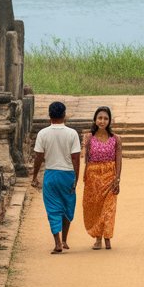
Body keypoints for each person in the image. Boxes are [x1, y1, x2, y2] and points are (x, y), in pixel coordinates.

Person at [31, 100, 81, 254]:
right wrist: (76, 178)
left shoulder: (43, 133)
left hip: (51, 174)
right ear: (64, 115)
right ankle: (65, 239)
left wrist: (34, 176)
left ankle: (58, 242)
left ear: (49, 116)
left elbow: (38, 157)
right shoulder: (72, 133)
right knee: (67, 206)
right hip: (67, 174)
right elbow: (76, 158)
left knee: (53, 209)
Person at [82, 105, 122, 249]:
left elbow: (118, 159)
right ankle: (98, 238)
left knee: (109, 209)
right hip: (93, 178)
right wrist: (85, 178)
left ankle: (107, 237)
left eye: (105, 118)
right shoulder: (88, 138)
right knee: (95, 208)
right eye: (100, 118)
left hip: (110, 177)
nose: (102, 121)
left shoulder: (116, 139)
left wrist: (117, 179)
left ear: (109, 121)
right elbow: (86, 159)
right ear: (95, 120)